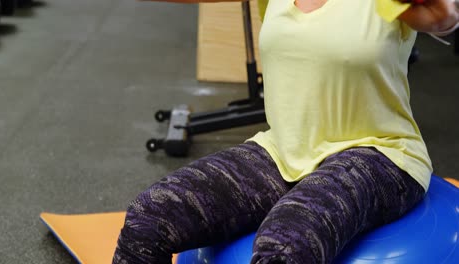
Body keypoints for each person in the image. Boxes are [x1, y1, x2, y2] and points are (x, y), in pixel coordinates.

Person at [113, 0, 459, 263]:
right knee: (152, 213)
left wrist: (444, 13)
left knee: (286, 245)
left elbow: (443, 16)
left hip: (380, 154)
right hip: (283, 152)